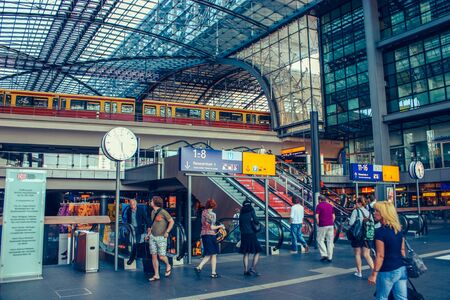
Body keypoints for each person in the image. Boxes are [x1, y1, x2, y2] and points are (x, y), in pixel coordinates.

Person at [368, 201, 407, 300]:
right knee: (401, 298)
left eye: (377, 211)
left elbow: (380, 256)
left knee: (382, 297)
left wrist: (374, 274)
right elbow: (402, 250)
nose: (374, 213)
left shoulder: (380, 232)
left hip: (387, 270)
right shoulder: (398, 229)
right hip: (401, 268)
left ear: (384, 213)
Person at [195, 199, 225, 278]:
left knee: (209, 253)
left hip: (204, 234)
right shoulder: (212, 214)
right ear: (214, 206)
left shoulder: (203, 213)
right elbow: (212, 227)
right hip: (211, 235)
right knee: (213, 254)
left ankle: (205, 269)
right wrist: (220, 226)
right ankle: (210, 272)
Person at [147, 196, 175, 282]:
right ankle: (156, 275)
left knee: (162, 256)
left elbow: (171, 221)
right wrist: (148, 234)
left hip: (161, 237)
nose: (150, 202)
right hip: (152, 236)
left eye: (151, 200)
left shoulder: (163, 212)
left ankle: (168, 265)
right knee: (154, 256)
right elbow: (152, 224)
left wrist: (167, 231)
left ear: (155, 202)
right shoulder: (152, 212)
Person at [349, 196, 374, 278]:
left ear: (359, 203)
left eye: (356, 202)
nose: (355, 204)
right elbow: (372, 223)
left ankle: (359, 272)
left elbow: (351, 223)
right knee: (367, 255)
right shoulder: (369, 213)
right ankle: (374, 273)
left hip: (358, 236)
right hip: (367, 236)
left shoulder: (356, 211)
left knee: (357, 254)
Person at [238, 199, 262, 276]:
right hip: (251, 234)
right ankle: (252, 268)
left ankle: (245, 270)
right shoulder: (251, 211)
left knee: (246, 253)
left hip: (244, 235)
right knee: (257, 251)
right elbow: (256, 221)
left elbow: (240, 225)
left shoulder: (241, 213)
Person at [125, 199, 150, 265]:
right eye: (131, 204)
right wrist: (128, 228)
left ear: (136, 204)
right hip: (131, 229)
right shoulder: (128, 210)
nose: (132, 206)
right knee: (132, 242)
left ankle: (135, 256)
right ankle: (133, 256)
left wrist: (148, 227)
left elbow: (146, 218)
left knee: (137, 242)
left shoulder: (140, 210)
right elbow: (128, 220)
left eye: (133, 204)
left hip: (138, 229)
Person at [316, 196, 335, 262]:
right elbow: (333, 216)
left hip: (323, 225)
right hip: (331, 225)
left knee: (320, 239)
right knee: (330, 241)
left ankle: (324, 254)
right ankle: (330, 257)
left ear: (320, 200)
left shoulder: (319, 206)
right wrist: (331, 222)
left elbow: (317, 216)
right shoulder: (330, 206)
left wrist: (318, 223)